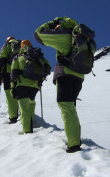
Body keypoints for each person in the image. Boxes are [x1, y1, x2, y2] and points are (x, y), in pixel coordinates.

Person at [34, 16, 83, 153]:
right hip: (79, 76)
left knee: (67, 108)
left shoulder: (64, 35)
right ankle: (75, 138)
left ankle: (74, 144)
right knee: (71, 108)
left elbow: (38, 34)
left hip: (66, 74)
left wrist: (52, 23)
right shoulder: (77, 37)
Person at [10, 39, 51, 134]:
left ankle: (27, 131)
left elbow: (13, 73)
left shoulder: (18, 57)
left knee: (24, 108)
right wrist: (41, 77)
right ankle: (30, 122)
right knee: (31, 103)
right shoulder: (38, 56)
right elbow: (48, 68)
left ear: (21, 46)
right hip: (35, 86)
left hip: (21, 85)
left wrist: (13, 87)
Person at [0, 37, 19, 124]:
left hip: (9, 72)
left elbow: (1, 59)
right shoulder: (21, 45)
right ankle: (25, 114)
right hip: (20, 73)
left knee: (10, 95)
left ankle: (13, 117)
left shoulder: (7, 45)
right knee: (20, 93)